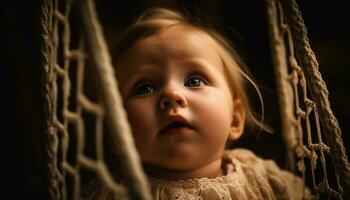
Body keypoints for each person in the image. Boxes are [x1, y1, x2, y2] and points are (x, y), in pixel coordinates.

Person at [83, 7, 312, 200]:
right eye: (145, 88)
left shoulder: (267, 181)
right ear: (116, 131)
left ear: (235, 118)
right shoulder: (112, 193)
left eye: (194, 81)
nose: (172, 94)